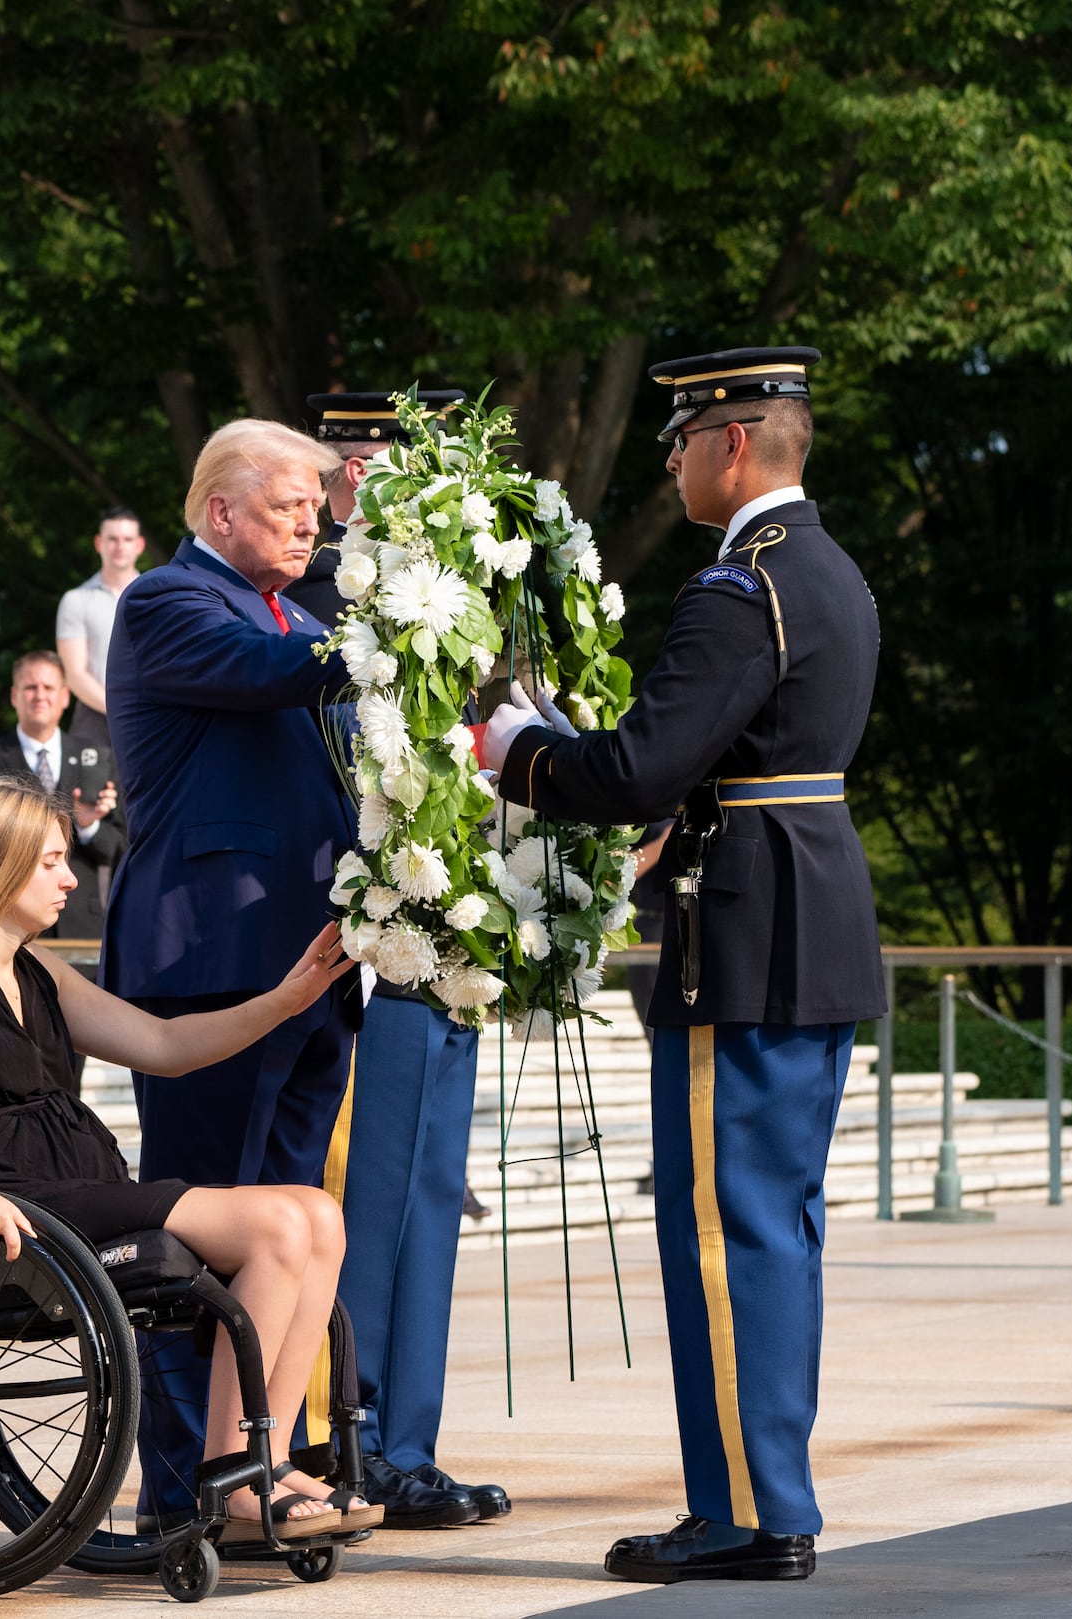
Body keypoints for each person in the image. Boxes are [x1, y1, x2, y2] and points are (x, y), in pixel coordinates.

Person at [478, 347, 883, 1585]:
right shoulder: (831, 573)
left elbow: (637, 770)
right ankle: (773, 1496)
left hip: (746, 933)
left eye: (683, 438)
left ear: (737, 446)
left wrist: (516, 743)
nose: (669, 458)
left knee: (724, 1232)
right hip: (807, 916)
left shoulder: (736, 587)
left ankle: (747, 1516)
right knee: (777, 1229)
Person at [0, 776, 372, 1536]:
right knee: (281, 1224)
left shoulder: (36, 969)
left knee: (319, 1213)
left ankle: (266, 1455)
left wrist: (285, 1000)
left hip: (79, 1181)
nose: (70, 876)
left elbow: (161, 1045)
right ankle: (232, 1476)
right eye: (51, 861)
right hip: (15, 1199)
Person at [101, 416, 357, 1517]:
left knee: (293, 1230)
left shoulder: (298, 611)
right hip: (213, 965)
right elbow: (268, 673)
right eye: (290, 507)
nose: (312, 526)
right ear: (219, 512)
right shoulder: (166, 602)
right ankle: (183, 1488)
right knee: (199, 1243)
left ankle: (262, 1458)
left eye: (315, 509)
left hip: (311, 964)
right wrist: (387, 634)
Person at [279, 387, 501, 1527]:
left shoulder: (450, 603)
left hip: (435, 936)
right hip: (349, 934)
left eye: (385, 461)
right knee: (352, 1195)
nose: (366, 483)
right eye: (350, 463)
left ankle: (404, 1440)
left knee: (421, 1195)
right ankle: (334, 1437)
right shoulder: (314, 607)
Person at [284, 388, 466, 629]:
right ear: (362, 474)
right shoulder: (326, 582)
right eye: (417, 467)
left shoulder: (447, 564)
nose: (439, 481)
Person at [0, 651, 122, 943]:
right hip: (8, 925)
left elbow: (118, 848)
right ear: (14, 696)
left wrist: (88, 826)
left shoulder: (97, 757)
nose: (40, 695)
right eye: (31, 687)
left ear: (65, 697)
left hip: (82, 927)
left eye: (49, 687)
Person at [52, 506, 145, 746]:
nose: (119, 546)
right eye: (112, 539)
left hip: (150, 717)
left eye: (127, 539)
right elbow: (75, 675)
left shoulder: (158, 598)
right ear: (98, 543)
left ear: (139, 545)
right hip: (94, 720)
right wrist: (123, 709)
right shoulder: (76, 600)